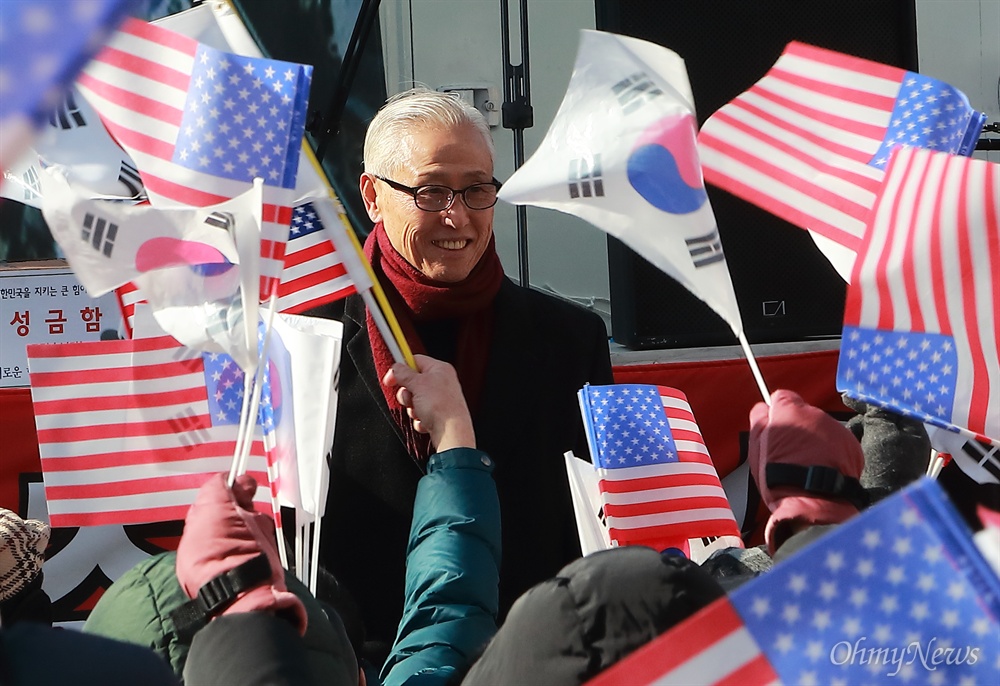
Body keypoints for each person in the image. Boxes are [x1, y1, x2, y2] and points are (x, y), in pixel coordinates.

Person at [309, 86, 614, 659]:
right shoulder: (310, 341)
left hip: (530, 658)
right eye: (430, 191)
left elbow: (593, 525)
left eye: (478, 189)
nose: (459, 215)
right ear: (372, 196)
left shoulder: (569, 341)